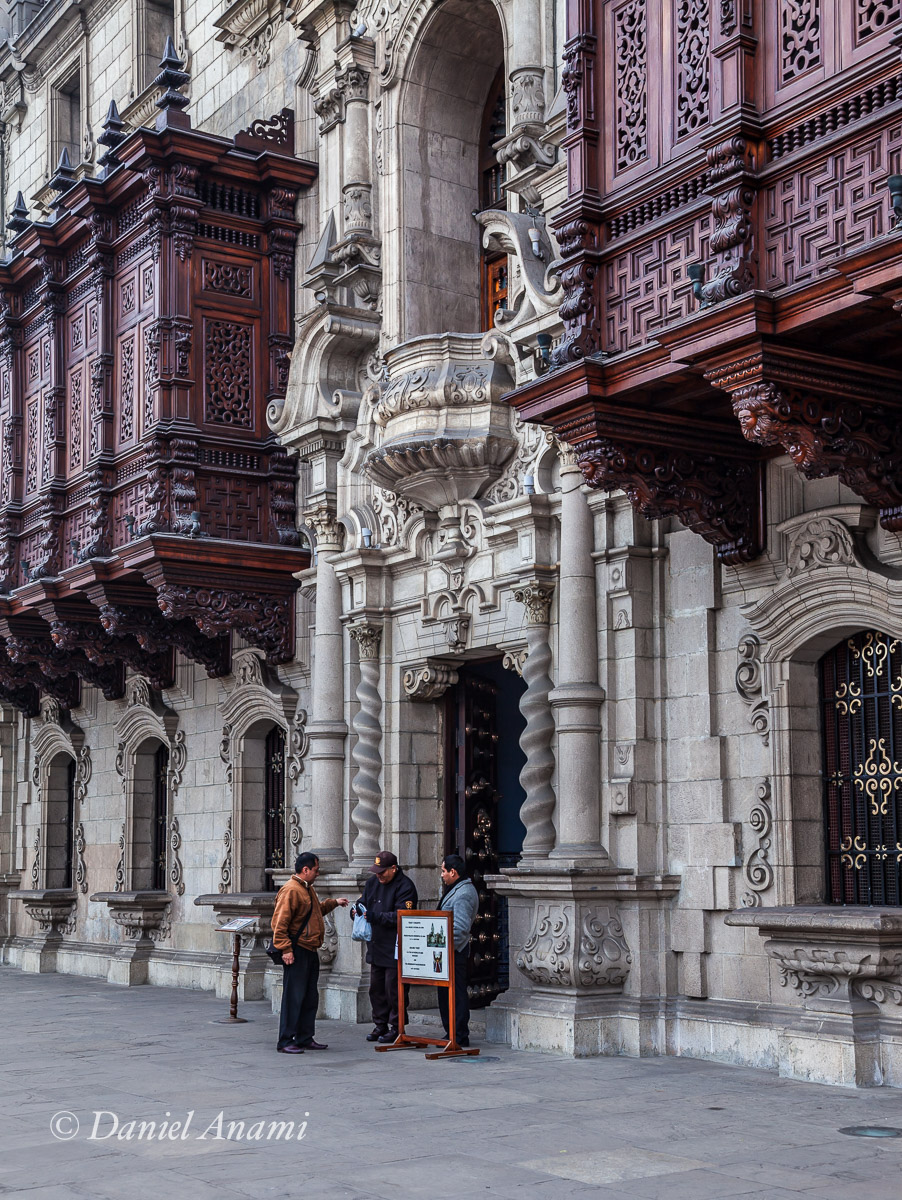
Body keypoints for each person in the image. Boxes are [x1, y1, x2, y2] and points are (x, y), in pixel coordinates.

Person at [271, 851, 348, 1053]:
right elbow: (279, 924)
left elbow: (314, 912)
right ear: (305, 870)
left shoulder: (306, 888)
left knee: (309, 996)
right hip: (297, 950)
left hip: (310, 949)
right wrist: (286, 949)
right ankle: (286, 1041)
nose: (317, 873)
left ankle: (305, 1037)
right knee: (294, 997)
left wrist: (334, 903)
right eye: (316, 870)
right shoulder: (291, 890)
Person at [354, 850, 418, 1044]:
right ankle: (380, 1024)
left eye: (382, 872)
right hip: (376, 944)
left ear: (393, 868)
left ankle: (397, 1026)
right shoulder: (372, 883)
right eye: (376, 872)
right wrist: (356, 911)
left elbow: (402, 915)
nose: (379, 876)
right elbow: (362, 902)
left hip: (395, 947)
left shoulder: (405, 886)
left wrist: (375, 917)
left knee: (394, 989)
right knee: (376, 989)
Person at [437, 854, 479, 1047]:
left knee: (455, 993)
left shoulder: (463, 894)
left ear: (453, 872)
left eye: (443, 871)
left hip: (454, 951)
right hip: (448, 951)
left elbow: (460, 928)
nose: (442, 875)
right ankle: (451, 1033)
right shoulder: (458, 888)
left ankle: (458, 1034)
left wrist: (444, 948)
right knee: (446, 993)